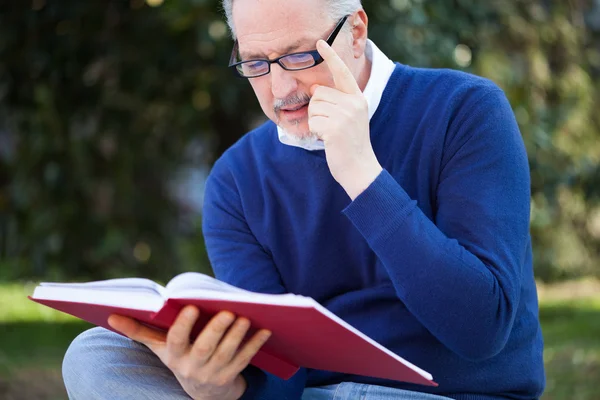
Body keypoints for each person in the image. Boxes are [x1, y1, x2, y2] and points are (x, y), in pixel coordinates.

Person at [61, 0, 546, 399]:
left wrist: (362, 175)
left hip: (443, 395)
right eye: (255, 63)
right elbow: (276, 379)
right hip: (314, 395)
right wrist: (217, 386)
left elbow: (480, 330)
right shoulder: (236, 178)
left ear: (355, 32)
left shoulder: (464, 111)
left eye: (299, 57)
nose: (281, 90)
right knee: (97, 355)